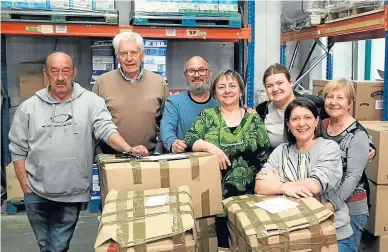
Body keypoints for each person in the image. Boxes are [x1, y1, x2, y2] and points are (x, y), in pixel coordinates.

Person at [8, 52, 147, 252]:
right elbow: (17, 148)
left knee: (58, 245)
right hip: (36, 191)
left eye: (65, 71)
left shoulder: (91, 102)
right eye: (54, 71)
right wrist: (25, 185)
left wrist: (129, 148)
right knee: (45, 245)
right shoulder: (28, 107)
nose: (60, 77)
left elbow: (106, 129)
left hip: (71, 192)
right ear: (45, 74)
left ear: (74, 73)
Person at [184, 69, 270, 248]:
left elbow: (264, 155)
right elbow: (190, 139)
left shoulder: (253, 120)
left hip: (250, 198)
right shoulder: (207, 117)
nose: (227, 90)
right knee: (220, 245)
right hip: (214, 199)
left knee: (249, 244)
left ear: (240, 90)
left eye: (232, 86)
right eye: (221, 87)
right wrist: (210, 147)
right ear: (215, 93)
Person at [255, 97, 354, 251]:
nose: (301, 123)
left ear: (316, 121)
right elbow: (260, 185)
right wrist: (283, 187)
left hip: (331, 233)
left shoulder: (329, 148)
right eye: (295, 119)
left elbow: (314, 186)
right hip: (293, 233)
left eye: (307, 117)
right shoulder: (281, 151)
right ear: (288, 124)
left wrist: (279, 185)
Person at [256, 63, 375, 160]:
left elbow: (343, 121)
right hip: (280, 169)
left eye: (280, 83)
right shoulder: (262, 111)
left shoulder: (314, 104)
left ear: (291, 83)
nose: (275, 89)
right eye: (269, 86)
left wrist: (367, 142)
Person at [93, 31, 169, 155]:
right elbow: (95, 124)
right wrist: (99, 156)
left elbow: (165, 123)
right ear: (117, 56)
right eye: (123, 53)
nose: (129, 58)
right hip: (113, 159)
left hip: (148, 158)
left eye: (134, 53)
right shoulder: (102, 83)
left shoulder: (159, 83)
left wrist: (158, 152)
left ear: (142, 55)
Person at [321, 78, 370, 251]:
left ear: (350, 103)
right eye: (329, 97)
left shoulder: (358, 134)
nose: (333, 102)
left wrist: (332, 205)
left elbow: (353, 176)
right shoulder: (322, 126)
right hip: (324, 202)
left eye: (340, 98)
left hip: (351, 205)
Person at [160, 56, 218, 153]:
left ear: (210, 73)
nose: (196, 75)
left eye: (201, 70)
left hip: (216, 161)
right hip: (185, 163)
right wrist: (172, 143)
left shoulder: (219, 103)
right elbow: (166, 129)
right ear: (185, 75)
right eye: (191, 71)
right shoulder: (174, 102)